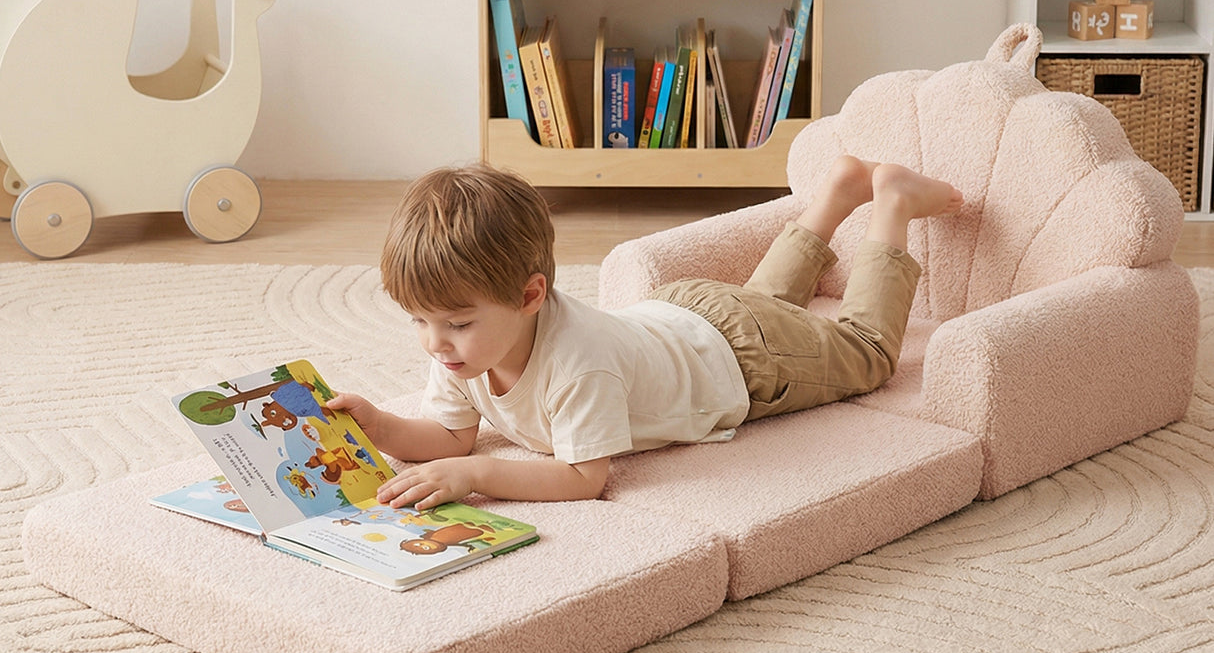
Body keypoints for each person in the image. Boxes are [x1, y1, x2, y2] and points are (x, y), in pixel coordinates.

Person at [328, 156, 962, 510]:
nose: (434, 344)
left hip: (745, 359)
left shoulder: (578, 364)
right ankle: (838, 190)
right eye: (420, 321)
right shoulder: (464, 348)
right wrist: (378, 425)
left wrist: (475, 478)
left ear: (528, 297)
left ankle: (892, 203)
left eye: (455, 323)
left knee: (868, 355)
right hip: (684, 316)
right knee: (765, 304)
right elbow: (449, 434)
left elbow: (583, 478)